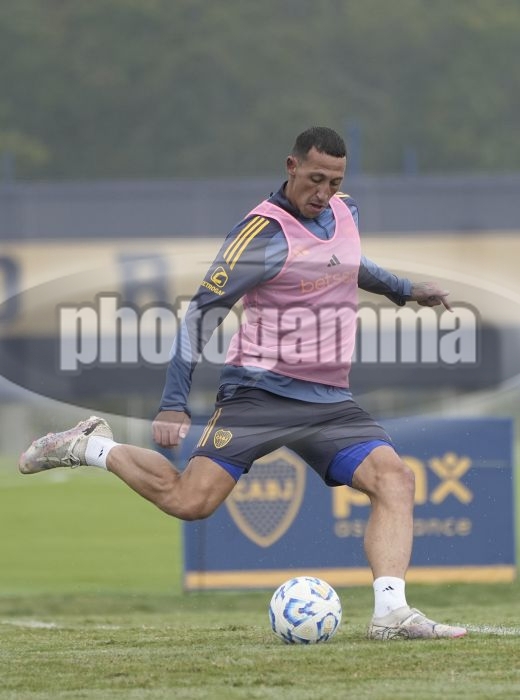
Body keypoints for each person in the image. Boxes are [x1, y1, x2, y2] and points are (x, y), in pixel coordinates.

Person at [19, 126, 466, 641]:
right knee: (190, 501)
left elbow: (348, 263)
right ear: (291, 167)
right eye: (315, 179)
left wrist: (405, 290)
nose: (323, 193)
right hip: (260, 394)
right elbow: (201, 314)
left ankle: (391, 614)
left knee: (395, 479)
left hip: (328, 400)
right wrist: (173, 402)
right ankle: (89, 446)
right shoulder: (261, 235)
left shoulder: (344, 211)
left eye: (335, 182)